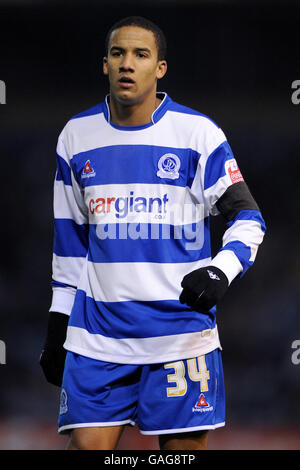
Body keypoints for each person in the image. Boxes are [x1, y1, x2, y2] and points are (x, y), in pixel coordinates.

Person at [40, 16, 266, 450]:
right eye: (118, 53)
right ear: (104, 64)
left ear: (160, 68)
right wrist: (57, 325)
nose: (128, 63)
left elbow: (249, 219)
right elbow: (69, 246)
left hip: (181, 339)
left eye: (141, 55)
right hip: (97, 339)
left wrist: (221, 271)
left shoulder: (198, 133)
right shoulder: (75, 136)